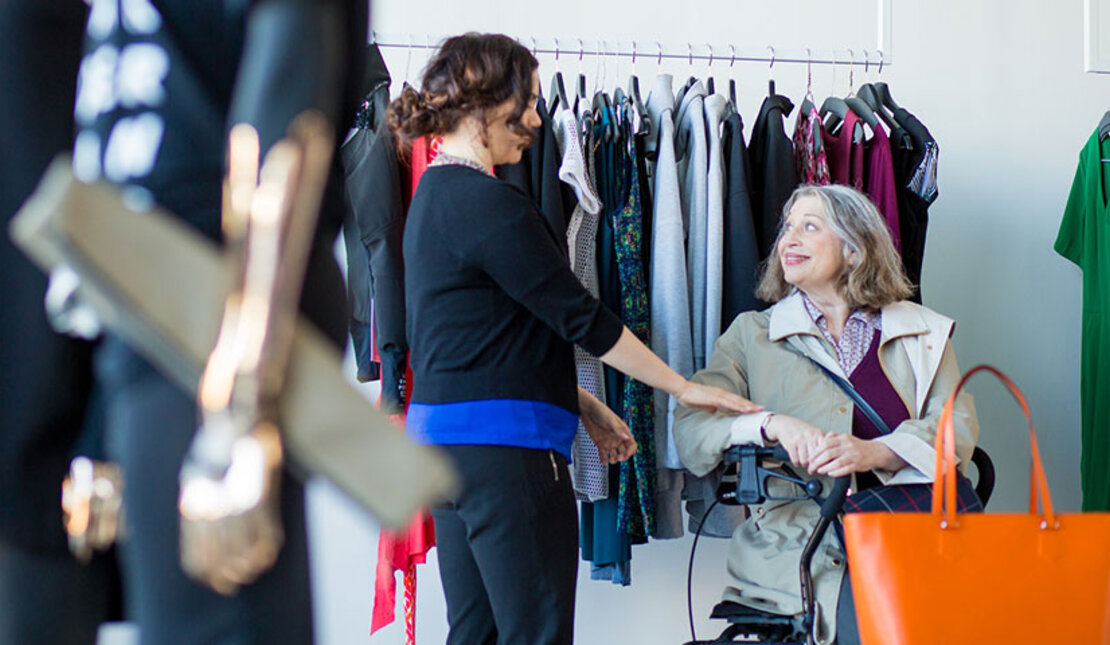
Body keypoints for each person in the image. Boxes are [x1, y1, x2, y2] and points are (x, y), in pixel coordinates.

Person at [387, 32, 760, 645]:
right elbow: (580, 318)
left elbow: (483, 338)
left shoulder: (432, 197)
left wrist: (584, 406)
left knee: (472, 635)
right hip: (507, 456)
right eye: (525, 103)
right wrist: (683, 388)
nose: (536, 119)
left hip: (439, 450)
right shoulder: (493, 205)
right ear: (482, 103)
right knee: (536, 634)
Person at [64, 0, 366, 641]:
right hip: (144, 345)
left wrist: (238, 411)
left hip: (212, 339)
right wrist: (97, 421)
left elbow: (282, 145)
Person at [674, 184, 980, 644]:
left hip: (910, 539)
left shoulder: (921, 332)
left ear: (855, 251)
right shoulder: (752, 336)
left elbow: (955, 427)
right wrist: (769, 424)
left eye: (809, 227)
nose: (788, 239)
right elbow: (691, 428)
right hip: (797, 552)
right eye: (788, 227)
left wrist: (874, 451)